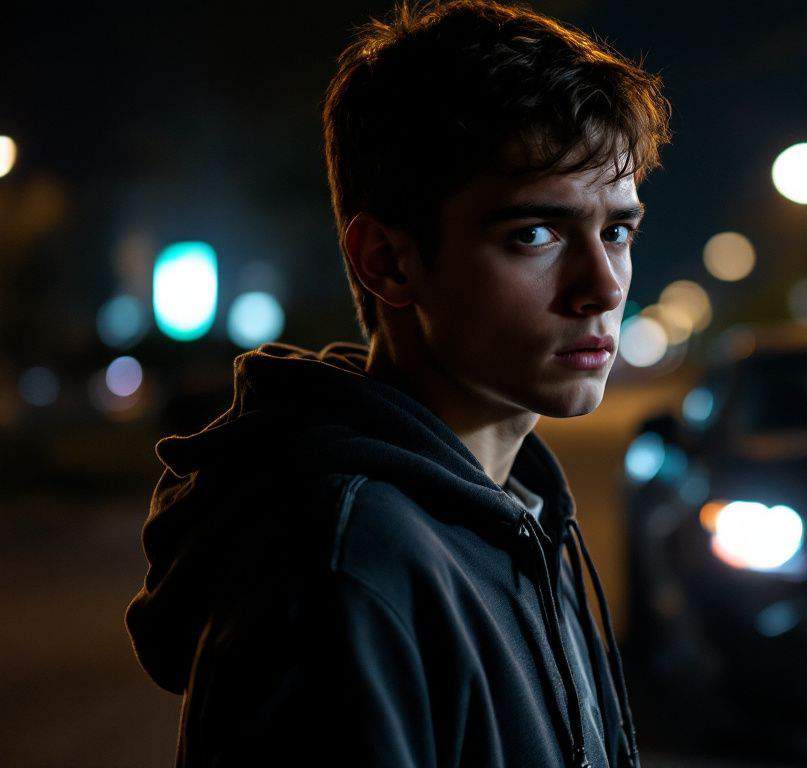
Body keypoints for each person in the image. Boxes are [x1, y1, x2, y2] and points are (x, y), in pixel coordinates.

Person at [124, 1, 671, 766]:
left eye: (616, 230)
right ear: (386, 261)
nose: (604, 286)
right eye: (534, 234)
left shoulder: (520, 516)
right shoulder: (342, 571)